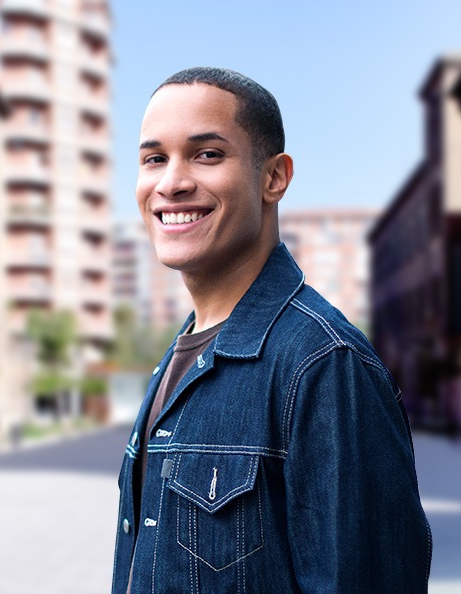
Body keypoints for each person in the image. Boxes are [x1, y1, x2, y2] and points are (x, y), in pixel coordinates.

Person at [112, 67, 431, 593]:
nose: (171, 182)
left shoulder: (324, 363)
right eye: (154, 159)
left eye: (207, 154)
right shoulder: (179, 357)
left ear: (274, 177)